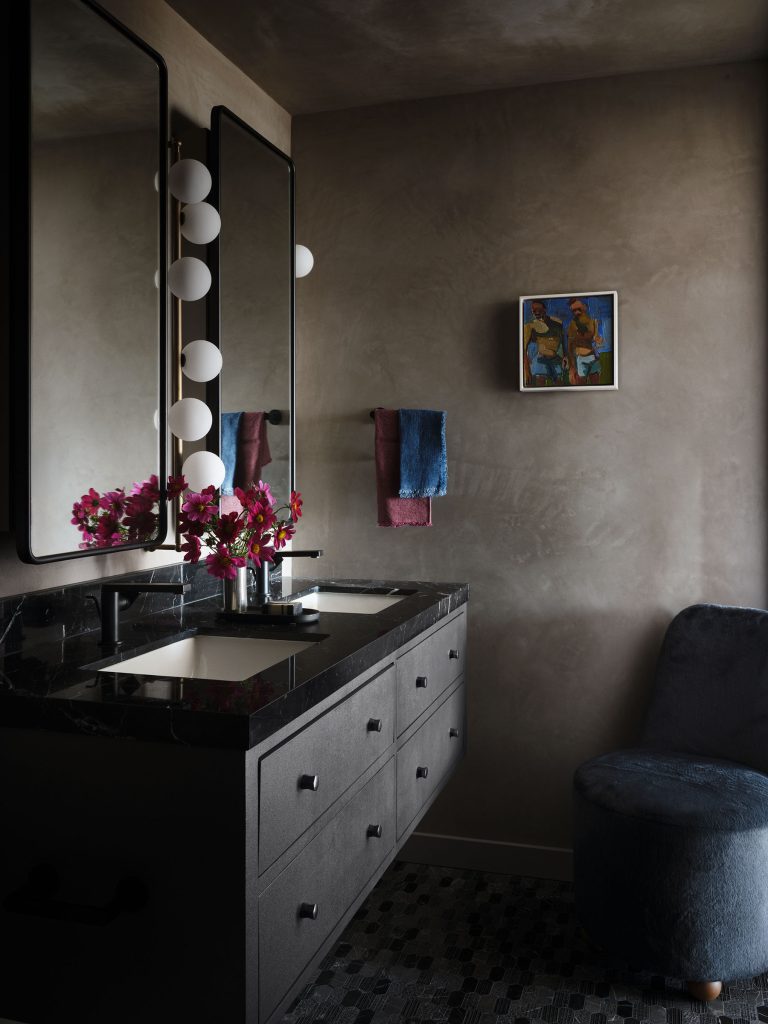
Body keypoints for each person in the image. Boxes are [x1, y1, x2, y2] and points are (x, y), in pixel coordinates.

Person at [523, 299, 566, 386]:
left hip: (556, 360)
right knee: (540, 384)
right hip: (540, 361)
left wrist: (565, 356)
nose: (536, 312)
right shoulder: (530, 326)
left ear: (545, 309)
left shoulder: (557, 323)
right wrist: (526, 370)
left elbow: (563, 340)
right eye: (534, 310)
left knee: (559, 384)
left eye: (539, 309)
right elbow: (523, 348)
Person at [566, 298, 602, 385]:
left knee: (596, 385)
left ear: (585, 307)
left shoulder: (593, 322)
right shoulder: (572, 325)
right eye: (574, 310)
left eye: (579, 309)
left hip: (593, 357)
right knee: (580, 385)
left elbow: (597, 340)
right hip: (581, 359)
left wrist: (598, 340)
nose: (577, 312)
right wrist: (572, 367)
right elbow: (570, 346)